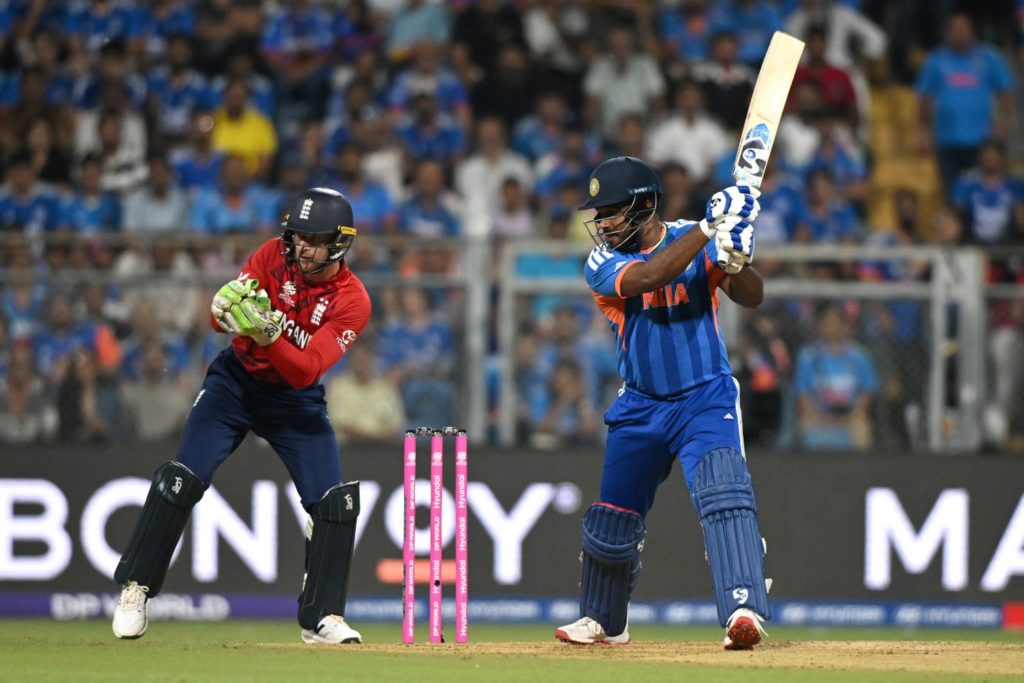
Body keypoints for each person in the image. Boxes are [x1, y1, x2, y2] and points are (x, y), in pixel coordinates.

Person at [111, 188, 372, 646]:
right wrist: (221, 309)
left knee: (332, 502)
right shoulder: (272, 254)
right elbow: (220, 318)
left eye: (314, 239)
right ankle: (137, 589)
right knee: (182, 479)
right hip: (235, 386)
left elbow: (306, 369)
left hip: (296, 400)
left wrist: (269, 333)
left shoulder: (353, 300)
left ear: (339, 242)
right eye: (297, 236)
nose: (300, 247)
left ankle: (321, 618)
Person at [554, 156, 770, 650]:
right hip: (641, 405)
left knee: (724, 494)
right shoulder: (601, 263)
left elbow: (752, 296)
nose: (602, 224)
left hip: (705, 397)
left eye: (611, 212)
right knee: (613, 517)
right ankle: (605, 621)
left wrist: (736, 261)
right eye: (599, 214)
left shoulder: (696, 237)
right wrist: (711, 227)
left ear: (646, 205)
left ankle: (744, 608)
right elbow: (651, 276)